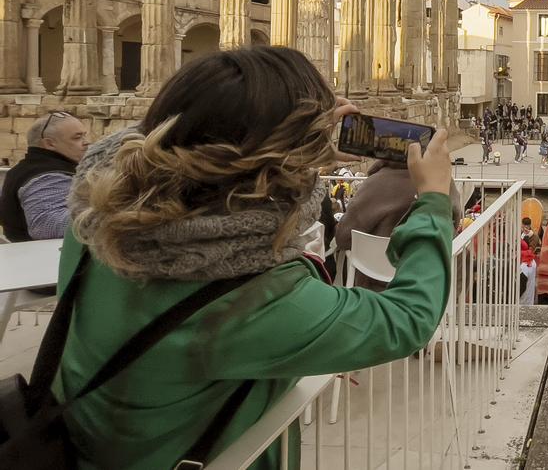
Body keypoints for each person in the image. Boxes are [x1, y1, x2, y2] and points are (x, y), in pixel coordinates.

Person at [51, 47, 454, 469]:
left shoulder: (96, 220)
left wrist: (293, 142)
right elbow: (407, 319)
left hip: (83, 446)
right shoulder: (253, 298)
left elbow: (171, 139)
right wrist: (432, 202)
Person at [0, 111, 90, 241]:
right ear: (49, 144)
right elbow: (47, 226)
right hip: (43, 258)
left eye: (84, 136)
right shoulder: (47, 176)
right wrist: (117, 216)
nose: (86, 142)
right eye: (77, 137)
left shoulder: (25, 169)